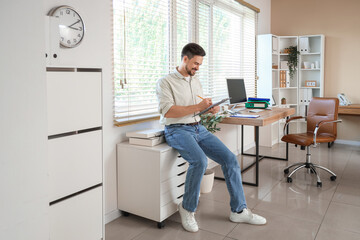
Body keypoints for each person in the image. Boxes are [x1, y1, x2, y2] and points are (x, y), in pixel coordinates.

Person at [156, 43, 266, 233]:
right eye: (195, 64)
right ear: (185, 59)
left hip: (198, 127)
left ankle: (239, 211)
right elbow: (169, 111)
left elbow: (198, 107)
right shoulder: (165, 82)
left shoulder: (195, 80)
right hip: (176, 130)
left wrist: (209, 109)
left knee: (230, 159)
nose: (197, 68)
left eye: (200, 64)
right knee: (199, 161)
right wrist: (198, 107)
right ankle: (187, 208)